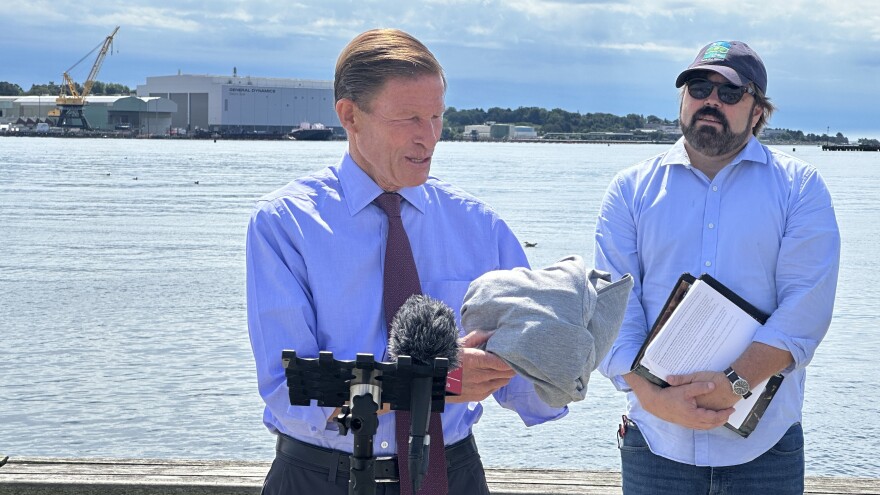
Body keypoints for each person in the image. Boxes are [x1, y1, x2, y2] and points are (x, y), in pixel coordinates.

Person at [246, 28, 566, 495]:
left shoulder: (480, 226)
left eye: (437, 116)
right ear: (349, 115)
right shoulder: (285, 224)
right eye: (409, 118)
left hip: (454, 476)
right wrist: (437, 382)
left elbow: (531, 388)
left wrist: (571, 348)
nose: (429, 137)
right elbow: (290, 388)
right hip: (321, 478)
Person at [595, 40, 840, 494]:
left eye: (730, 93)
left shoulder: (800, 188)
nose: (711, 100)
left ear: (758, 111)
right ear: (683, 98)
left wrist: (733, 384)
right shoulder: (629, 191)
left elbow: (806, 308)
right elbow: (612, 309)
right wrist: (652, 398)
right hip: (655, 443)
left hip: (765, 451)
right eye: (699, 87)